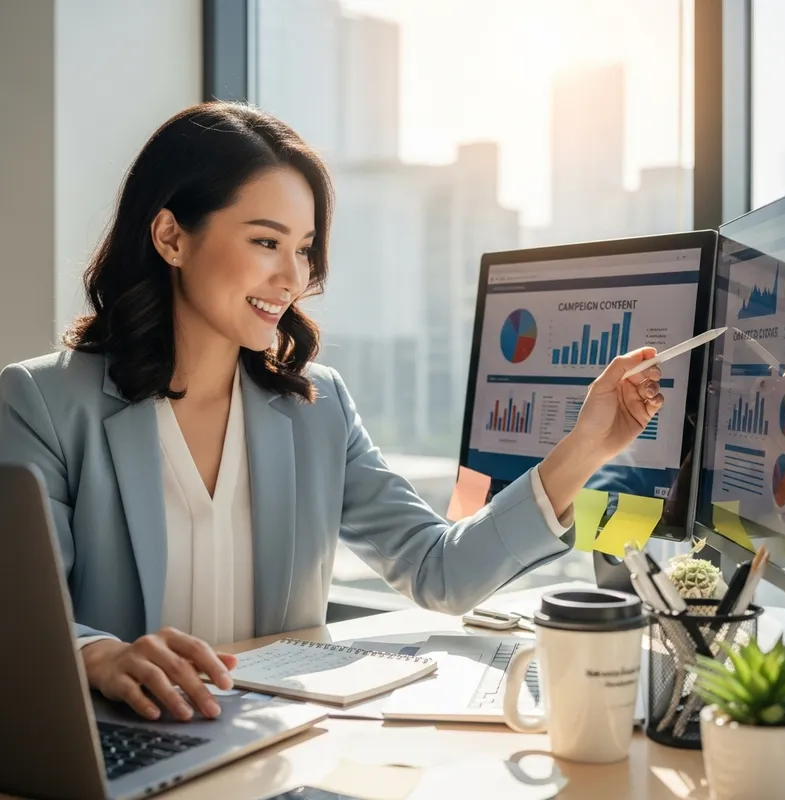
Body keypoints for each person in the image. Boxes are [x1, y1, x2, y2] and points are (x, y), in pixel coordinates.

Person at [0, 102, 663, 724]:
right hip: (115, 748)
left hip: (274, 747)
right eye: (266, 242)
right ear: (172, 236)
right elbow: (22, 617)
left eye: (305, 247)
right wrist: (99, 654)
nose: (294, 277)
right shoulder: (44, 405)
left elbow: (440, 572)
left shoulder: (318, 409)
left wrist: (586, 447)